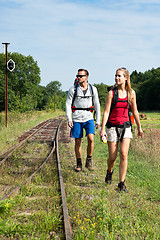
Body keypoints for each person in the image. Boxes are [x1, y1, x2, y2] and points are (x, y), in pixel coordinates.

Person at [100, 67, 143, 192]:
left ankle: (121, 183)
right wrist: (102, 129)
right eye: (116, 75)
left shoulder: (131, 93)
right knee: (112, 157)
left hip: (126, 127)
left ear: (126, 78)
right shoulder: (111, 93)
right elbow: (106, 111)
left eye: (119, 76)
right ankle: (109, 171)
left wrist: (139, 127)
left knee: (124, 154)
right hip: (112, 127)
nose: (117, 78)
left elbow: (134, 110)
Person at [66, 68, 101, 172]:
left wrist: (98, 120)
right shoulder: (73, 89)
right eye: (78, 76)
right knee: (78, 141)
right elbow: (68, 105)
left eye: (81, 76)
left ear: (86, 77)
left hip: (89, 117)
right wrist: (69, 119)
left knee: (91, 138)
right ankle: (79, 163)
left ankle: (89, 160)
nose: (78, 78)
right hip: (77, 117)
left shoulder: (93, 89)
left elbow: (97, 104)